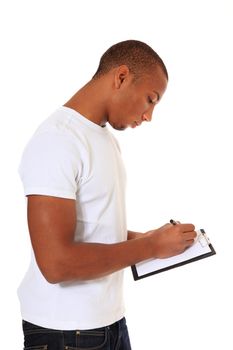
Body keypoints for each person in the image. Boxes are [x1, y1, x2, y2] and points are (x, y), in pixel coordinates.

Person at [18, 39, 196, 350]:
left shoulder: (103, 139)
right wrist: (151, 246)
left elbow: (92, 230)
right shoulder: (58, 140)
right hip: (65, 333)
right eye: (150, 99)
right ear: (121, 76)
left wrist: (147, 239)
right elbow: (56, 263)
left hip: (109, 324)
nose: (149, 116)